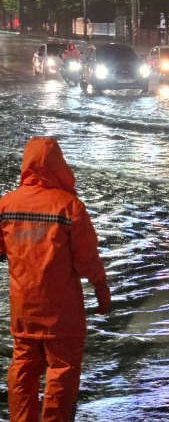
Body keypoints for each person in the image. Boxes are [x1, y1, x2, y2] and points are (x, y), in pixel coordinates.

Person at [0, 137, 111, 422]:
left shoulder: (6, 205)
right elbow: (86, 259)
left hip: (23, 309)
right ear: (59, 165)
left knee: (22, 370)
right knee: (62, 373)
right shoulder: (70, 206)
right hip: (63, 314)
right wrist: (101, 291)